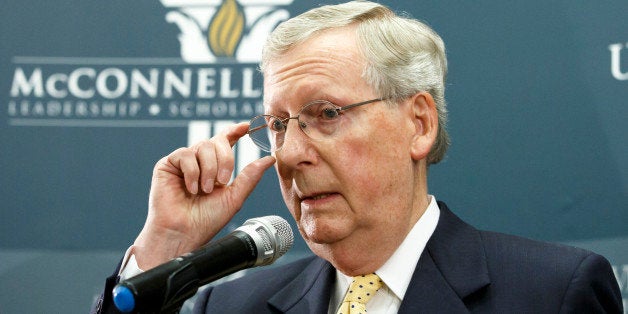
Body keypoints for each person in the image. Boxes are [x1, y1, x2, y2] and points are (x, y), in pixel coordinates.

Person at [93, 1, 622, 313]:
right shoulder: (232, 306)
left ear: (418, 123)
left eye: (326, 114)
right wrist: (164, 249)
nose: (291, 154)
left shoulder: (550, 294)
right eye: (277, 125)